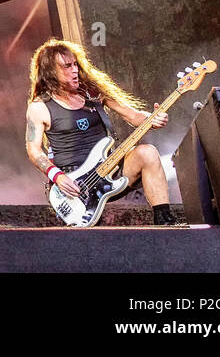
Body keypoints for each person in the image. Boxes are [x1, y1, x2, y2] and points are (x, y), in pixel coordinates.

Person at [24, 38, 174, 225]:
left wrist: (153, 118)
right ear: (50, 72)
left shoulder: (92, 93)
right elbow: (34, 151)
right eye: (67, 66)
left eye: (75, 64)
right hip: (75, 184)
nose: (75, 70)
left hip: (109, 170)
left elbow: (133, 116)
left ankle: (165, 222)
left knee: (147, 152)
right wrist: (58, 176)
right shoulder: (40, 107)